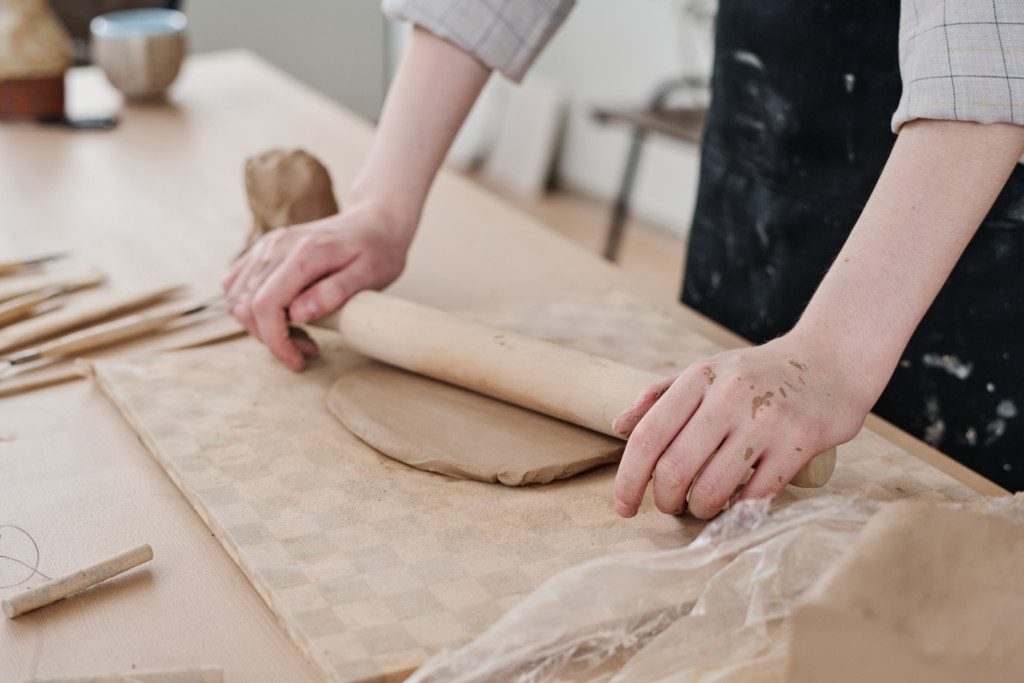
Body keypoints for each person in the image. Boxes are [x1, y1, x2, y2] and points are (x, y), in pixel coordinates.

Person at [223, 1, 1024, 518]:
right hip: (764, 152)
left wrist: (835, 353)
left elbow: (996, 41)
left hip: (973, 212)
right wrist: (383, 205)